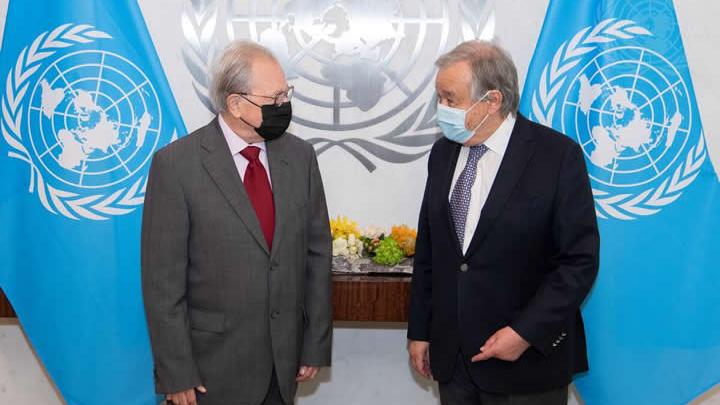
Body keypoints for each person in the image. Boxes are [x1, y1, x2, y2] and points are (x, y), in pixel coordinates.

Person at [407, 40, 600, 405]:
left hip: (525, 364)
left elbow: (579, 262)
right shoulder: (443, 152)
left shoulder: (557, 156)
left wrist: (524, 333)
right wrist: (420, 330)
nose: (441, 109)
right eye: (439, 98)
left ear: (492, 101)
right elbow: (431, 250)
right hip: (454, 362)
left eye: (450, 99)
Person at [142, 40, 333, 405]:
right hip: (208, 373)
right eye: (274, 98)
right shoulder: (177, 166)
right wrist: (176, 372)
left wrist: (314, 343)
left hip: (283, 364)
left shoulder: (301, 157)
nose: (284, 106)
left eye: (286, 94)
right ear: (235, 103)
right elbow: (162, 284)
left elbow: (316, 254)